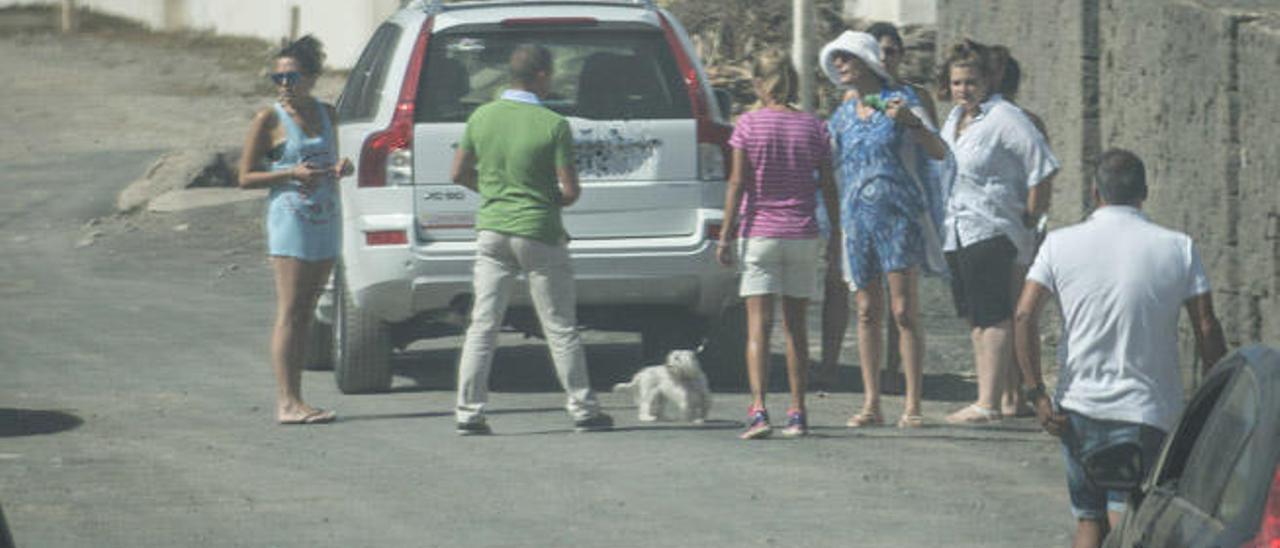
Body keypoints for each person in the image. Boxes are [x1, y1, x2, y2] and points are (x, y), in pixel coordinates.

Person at [1013, 149, 1227, 548]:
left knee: (1089, 519)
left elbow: (1024, 317)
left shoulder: (1059, 245)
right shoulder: (1178, 248)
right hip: (1149, 412)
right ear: (1144, 192)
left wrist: (1036, 394)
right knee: (1130, 515)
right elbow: (1206, 326)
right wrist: (1219, 394)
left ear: (1095, 193)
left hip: (1078, 410)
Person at [449, 44, 612, 435]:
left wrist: (492, 191)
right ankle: (583, 406)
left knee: (483, 325)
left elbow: (458, 173)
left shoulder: (481, 117)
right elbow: (570, 190)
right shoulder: (553, 124)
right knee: (559, 325)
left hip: (492, 230)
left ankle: (469, 411)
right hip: (538, 231)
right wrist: (545, 199)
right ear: (541, 75)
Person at [818, 31, 950, 429]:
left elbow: (939, 152)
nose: (840, 66)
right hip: (857, 220)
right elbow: (829, 168)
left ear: (865, 62)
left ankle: (912, 403)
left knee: (903, 310)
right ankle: (871, 401)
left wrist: (913, 125)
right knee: (866, 310)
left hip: (898, 216)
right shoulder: (841, 116)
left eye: (847, 59)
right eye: (836, 60)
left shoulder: (901, 103)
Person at [717, 50, 839, 440]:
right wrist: (836, 231)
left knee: (758, 327)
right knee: (796, 329)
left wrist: (725, 233)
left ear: (757, 84)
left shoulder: (748, 125)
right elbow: (829, 184)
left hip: (761, 232)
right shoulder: (814, 127)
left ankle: (758, 410)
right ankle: (798, 410)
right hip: (802, 231)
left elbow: (737, 183)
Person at [937, 39, 1059, 424]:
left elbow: (1043, 165)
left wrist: (1031, 214)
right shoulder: (955, 118)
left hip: (992, 226)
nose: (963, 90)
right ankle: (1003, 398)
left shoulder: (1006, 117)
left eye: (971, 82)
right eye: (957, 82)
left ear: (988, 81)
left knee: (993, 315)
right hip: (958, 228)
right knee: (976, 315)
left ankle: (987, 402)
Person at [238, 36, 350, 425]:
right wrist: (289, 173)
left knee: (306, 311)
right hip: (290, 220)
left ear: (312, 77)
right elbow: (245, 177)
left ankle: (299, 398)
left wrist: (339, 169)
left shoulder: (326, 113)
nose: (284, 84)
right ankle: (287, 401)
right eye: (278, 77)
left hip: (325, 217)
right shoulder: (268, 119)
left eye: (292, 76)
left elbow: (329, 158)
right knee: (289, 310)